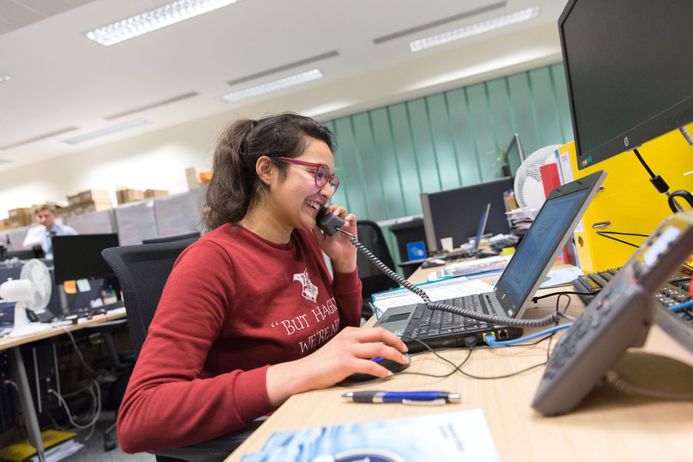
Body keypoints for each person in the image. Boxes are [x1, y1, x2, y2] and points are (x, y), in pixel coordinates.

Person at [117, 113, 408, 459]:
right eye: (317, 174)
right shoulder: (211, 262)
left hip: (318, 414)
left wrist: (345, 265)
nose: (327, 190)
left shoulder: (304, 239)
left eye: (332, 180)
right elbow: (139, 418)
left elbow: (336, 341)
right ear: (267, 169)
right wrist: (298, 372)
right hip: (267, 439)